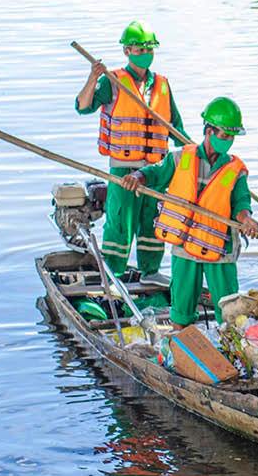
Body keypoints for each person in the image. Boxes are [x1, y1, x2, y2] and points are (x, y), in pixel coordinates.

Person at [120, 97, 258, 329]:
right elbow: (154, 172)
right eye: (224, 135)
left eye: (231, 137)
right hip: (185, 247)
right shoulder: (181, 157)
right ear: (209, 131)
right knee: (181, 309)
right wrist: (137, 177)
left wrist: (247, 220)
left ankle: (230, 345)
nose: (228, 141)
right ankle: (180, 344)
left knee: (229, 312)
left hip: (219, 249)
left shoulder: (235, 170)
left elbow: (241, 203)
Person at [76, 20, 190, 284]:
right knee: (120, 223)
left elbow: (175, 127)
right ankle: (113, 274)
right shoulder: (113, 81)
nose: (145, 54)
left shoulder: (162, 84)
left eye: (149, 49)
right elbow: (83, 107)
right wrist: (93, 77)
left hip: (156, 170)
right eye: (139, 50)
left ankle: (150, 271)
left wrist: (196, 154)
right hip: (124, 169)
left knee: (153, 221)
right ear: (127, 51)